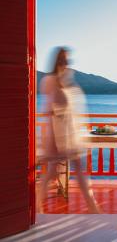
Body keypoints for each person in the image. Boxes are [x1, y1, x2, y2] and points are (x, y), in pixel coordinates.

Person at [37, 46, 100, 213]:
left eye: (68, 60)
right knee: (53, 172)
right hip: (57, 135)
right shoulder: (50, 81)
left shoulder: (65, 80)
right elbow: (49, 109)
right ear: (58, 61)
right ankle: (37, 206)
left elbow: (70, 105)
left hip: (69, 133)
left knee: (74, 170)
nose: (67, 63)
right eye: (64, 59)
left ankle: (92, 207)